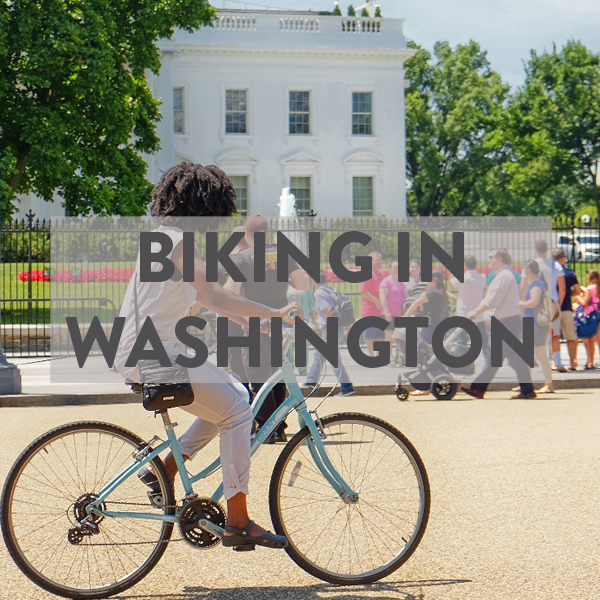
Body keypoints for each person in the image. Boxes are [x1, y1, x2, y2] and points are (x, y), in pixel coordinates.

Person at [114, 162, 300, 549]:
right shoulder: (177, 243)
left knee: (235, 393)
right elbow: (215, 294)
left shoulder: (162, 239)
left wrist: (257, 325)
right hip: (157, 352)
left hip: (147, 349)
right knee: (236, 411)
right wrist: (275, 313)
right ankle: (237, 520)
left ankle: (164, 470)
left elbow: (201, 299)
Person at [225, 215, 310, 443]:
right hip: (282, 320)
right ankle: (280, 426)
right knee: (278, 372)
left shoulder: (242, 258)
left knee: (257, 375)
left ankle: (267, 426)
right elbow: (303, 284)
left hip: (257, 322)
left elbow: (229, 293)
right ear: (268, 233)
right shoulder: (283, 253)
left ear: (247, 235)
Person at [461, 247, 536, 400]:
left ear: (499, 259)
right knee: (495, 359)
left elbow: (493, 300)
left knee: (511, 358)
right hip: (505, 322)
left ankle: (527, 389)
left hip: (505, 322)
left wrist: (475, 312)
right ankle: (478, 388)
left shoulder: (504, 276)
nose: (489, 261)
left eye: (491, 258)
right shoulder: (502, 275)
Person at [304, 270, 355, 396]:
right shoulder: (331, 289)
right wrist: (346, 327)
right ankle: (311, 380)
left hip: (331, 327)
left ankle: (346, 386)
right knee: (319, 354)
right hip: (338, 326)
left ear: (313, 281)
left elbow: (328, 311)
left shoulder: (319, 293)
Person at [402, 271, 449, 396]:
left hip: (428, 327)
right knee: (431, 358)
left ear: (435, 280)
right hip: (434, 326)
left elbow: (416, 303)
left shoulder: (433, 293)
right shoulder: (440, 292)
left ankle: (424, 387)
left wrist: (405, 317)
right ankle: (447, 379)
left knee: (425, 357)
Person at [518, 260, 553, 393]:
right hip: (532, 324)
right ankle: (526, 384)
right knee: (528, 356)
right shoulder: (536, 283)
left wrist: (521, 303)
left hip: (535, 324)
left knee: (540, 356)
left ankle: (548, 385)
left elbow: (534, 302)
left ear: (528, 271)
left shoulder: (537, 283)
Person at [534, 239, 566, 372]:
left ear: (535, 250)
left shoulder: (532, 265)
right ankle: (557, 361)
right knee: (555, 334)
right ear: (547, 250)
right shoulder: (556, 265)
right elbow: (562, 287)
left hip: (538, 303)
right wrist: (559, 303)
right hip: (553, 302)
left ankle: (542, 363)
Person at [450, 255, 487, 361]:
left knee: (462, 338)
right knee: (483, 338)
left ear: (464, 265)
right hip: (478, 312)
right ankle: (488, 359)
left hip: (463, 311)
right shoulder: (482, 277)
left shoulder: (461, 278)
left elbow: (451, 282)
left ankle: (462, 360)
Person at [553, 247, 582, 370]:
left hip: (553, 308)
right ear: (563, 258)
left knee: (554, 337)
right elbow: (578, 291)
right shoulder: (570, 273)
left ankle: (557, 362)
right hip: (566, 308)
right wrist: (568, 294)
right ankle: (572, 363)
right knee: (570, 337)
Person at [287, 281, 319, 377]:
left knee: (302, 344)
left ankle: (302, 368)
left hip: (303, 319)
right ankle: (290, 367)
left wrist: (314, 319)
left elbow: (311, 303)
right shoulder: (286, 286)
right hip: (289, 319)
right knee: (288, 345)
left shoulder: (305, 286)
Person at [360, 251, 386, 357]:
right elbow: (364, 291)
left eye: (380, 260)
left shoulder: (383, 274)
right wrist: (376, 301)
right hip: (370, 310)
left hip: (381, 310)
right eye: (376, 260)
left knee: (381, 334)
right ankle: (371, 355)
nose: (379, 262)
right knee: (370, 335)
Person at [574, 269, 600, 370]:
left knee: (588, 339)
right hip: (597, 313)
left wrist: (578, 298)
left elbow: (586, 302)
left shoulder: (590, 288)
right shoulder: (598, 287)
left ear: (590, 278)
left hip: (589, 315)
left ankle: (590, 362)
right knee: (597, 339)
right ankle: (591, 362)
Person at [379, 261, 406, 344]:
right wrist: (387, 312)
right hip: (389, 314)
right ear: (390, 269)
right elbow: (382, 297)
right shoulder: (386, 282)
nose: (397, 270)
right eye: (394, 268)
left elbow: (406, 297)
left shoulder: (401, 282)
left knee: (397, 337)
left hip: (400, 314)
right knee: (388, 336)